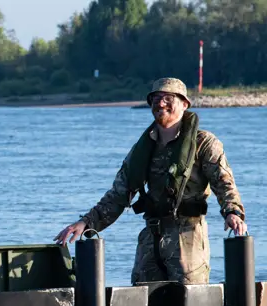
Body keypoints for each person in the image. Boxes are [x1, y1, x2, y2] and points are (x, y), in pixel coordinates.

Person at [53, 77, 246, 285]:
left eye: (168, 98)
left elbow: (224, 182)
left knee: (190, 302)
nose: (161, 103)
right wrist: (87, 222)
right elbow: (119, 194)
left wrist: (232, 212)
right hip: (151, 238)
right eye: (156, 99)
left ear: (184, 104)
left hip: (188, 238)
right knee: (142, 300)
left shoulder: (204, 143)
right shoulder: (142, 149)